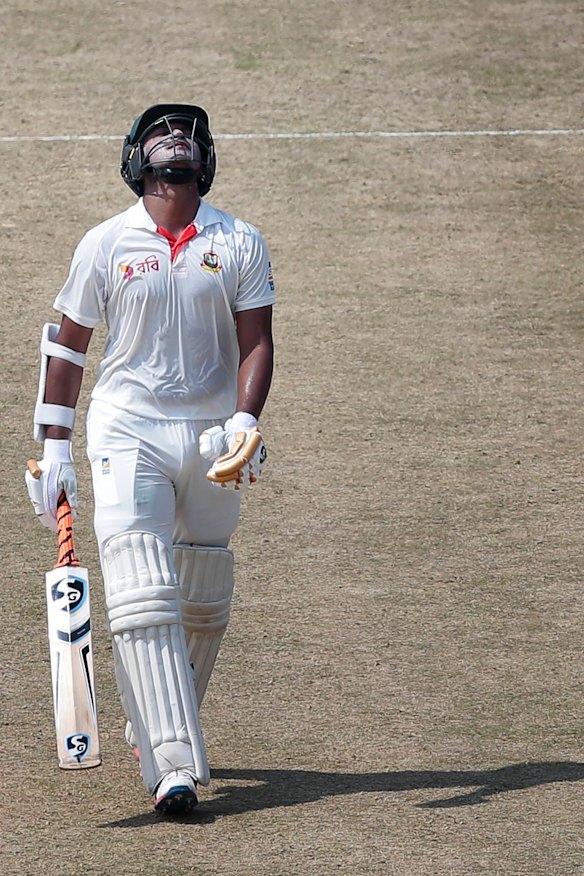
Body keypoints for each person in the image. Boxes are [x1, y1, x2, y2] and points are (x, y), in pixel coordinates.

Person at [25, 103, 275, 816]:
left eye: (185, 141)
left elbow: (256, 342)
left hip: (209, 437)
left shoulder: (240, 241)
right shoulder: (106, 243)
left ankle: (157, 722)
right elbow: (68, 345)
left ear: (205, 163)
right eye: (161, 141)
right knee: (139, 588)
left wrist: (243, 421)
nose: (174, 149)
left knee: (202, 596)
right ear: (137, 161)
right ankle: (172, 768)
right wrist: (54, 449)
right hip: (126, 430)